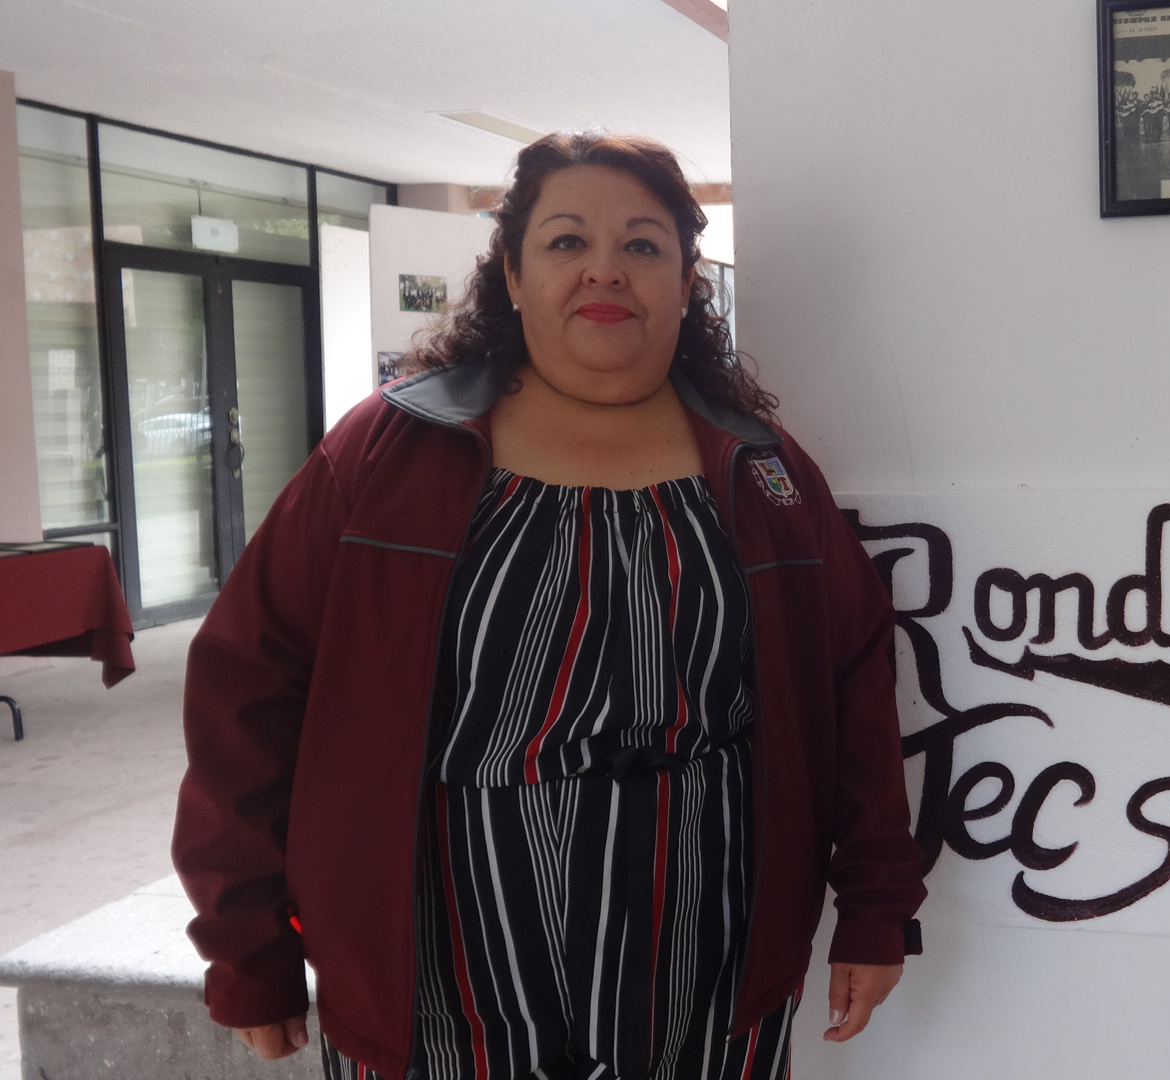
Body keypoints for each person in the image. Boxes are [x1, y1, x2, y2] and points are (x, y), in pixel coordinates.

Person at [171, 131, 926, 1080]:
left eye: (642, 245)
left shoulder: (761, 472)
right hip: (442, 936)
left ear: (686, 284)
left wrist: (875, 904)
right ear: (514, 276)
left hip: (705, 926)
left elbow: (853, 688)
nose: (605, 269)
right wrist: (246, 944)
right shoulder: (388, 452)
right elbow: (247, 688)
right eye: (567, 241)